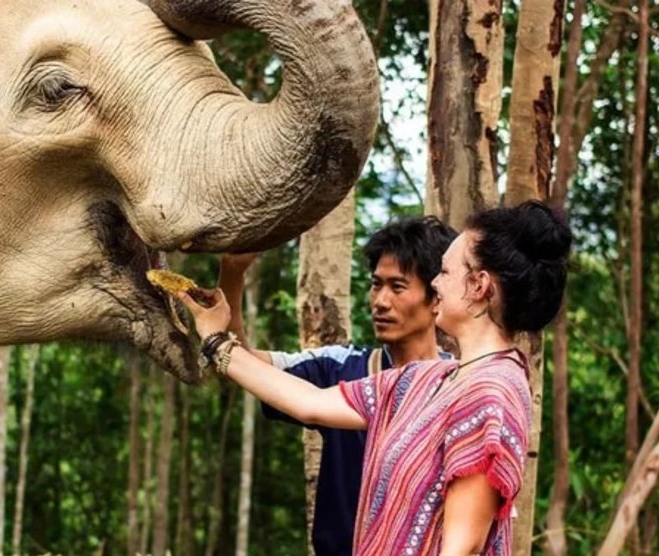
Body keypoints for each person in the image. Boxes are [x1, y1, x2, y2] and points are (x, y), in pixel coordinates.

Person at [180, 201, 571, 555]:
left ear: (479, 286)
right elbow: (310, 402)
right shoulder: (426, 380)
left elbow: (463, 547)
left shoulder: (492, 391)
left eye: (445, 271)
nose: (436, 283)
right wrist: (215, 339)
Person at [217, 217, 457, 556]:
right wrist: (232, 274)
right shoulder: (342, 367)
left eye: (397, 287)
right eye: (376, 284)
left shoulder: (460, 385)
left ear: (436, 298)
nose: (380, 301)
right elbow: (243, 364)